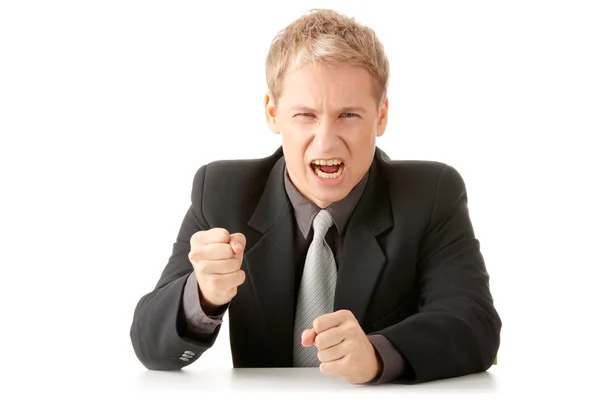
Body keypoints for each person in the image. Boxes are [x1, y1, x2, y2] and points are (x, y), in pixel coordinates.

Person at [130, 8, 502, 385]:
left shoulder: (431, 194)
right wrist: (202, 295)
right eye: (306, 115)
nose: (326, 141)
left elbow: (474, 323)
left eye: (349, 116)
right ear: (273, 113)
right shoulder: (222, 193)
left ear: (381, 116)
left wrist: (378, 354)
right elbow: (149, 346)